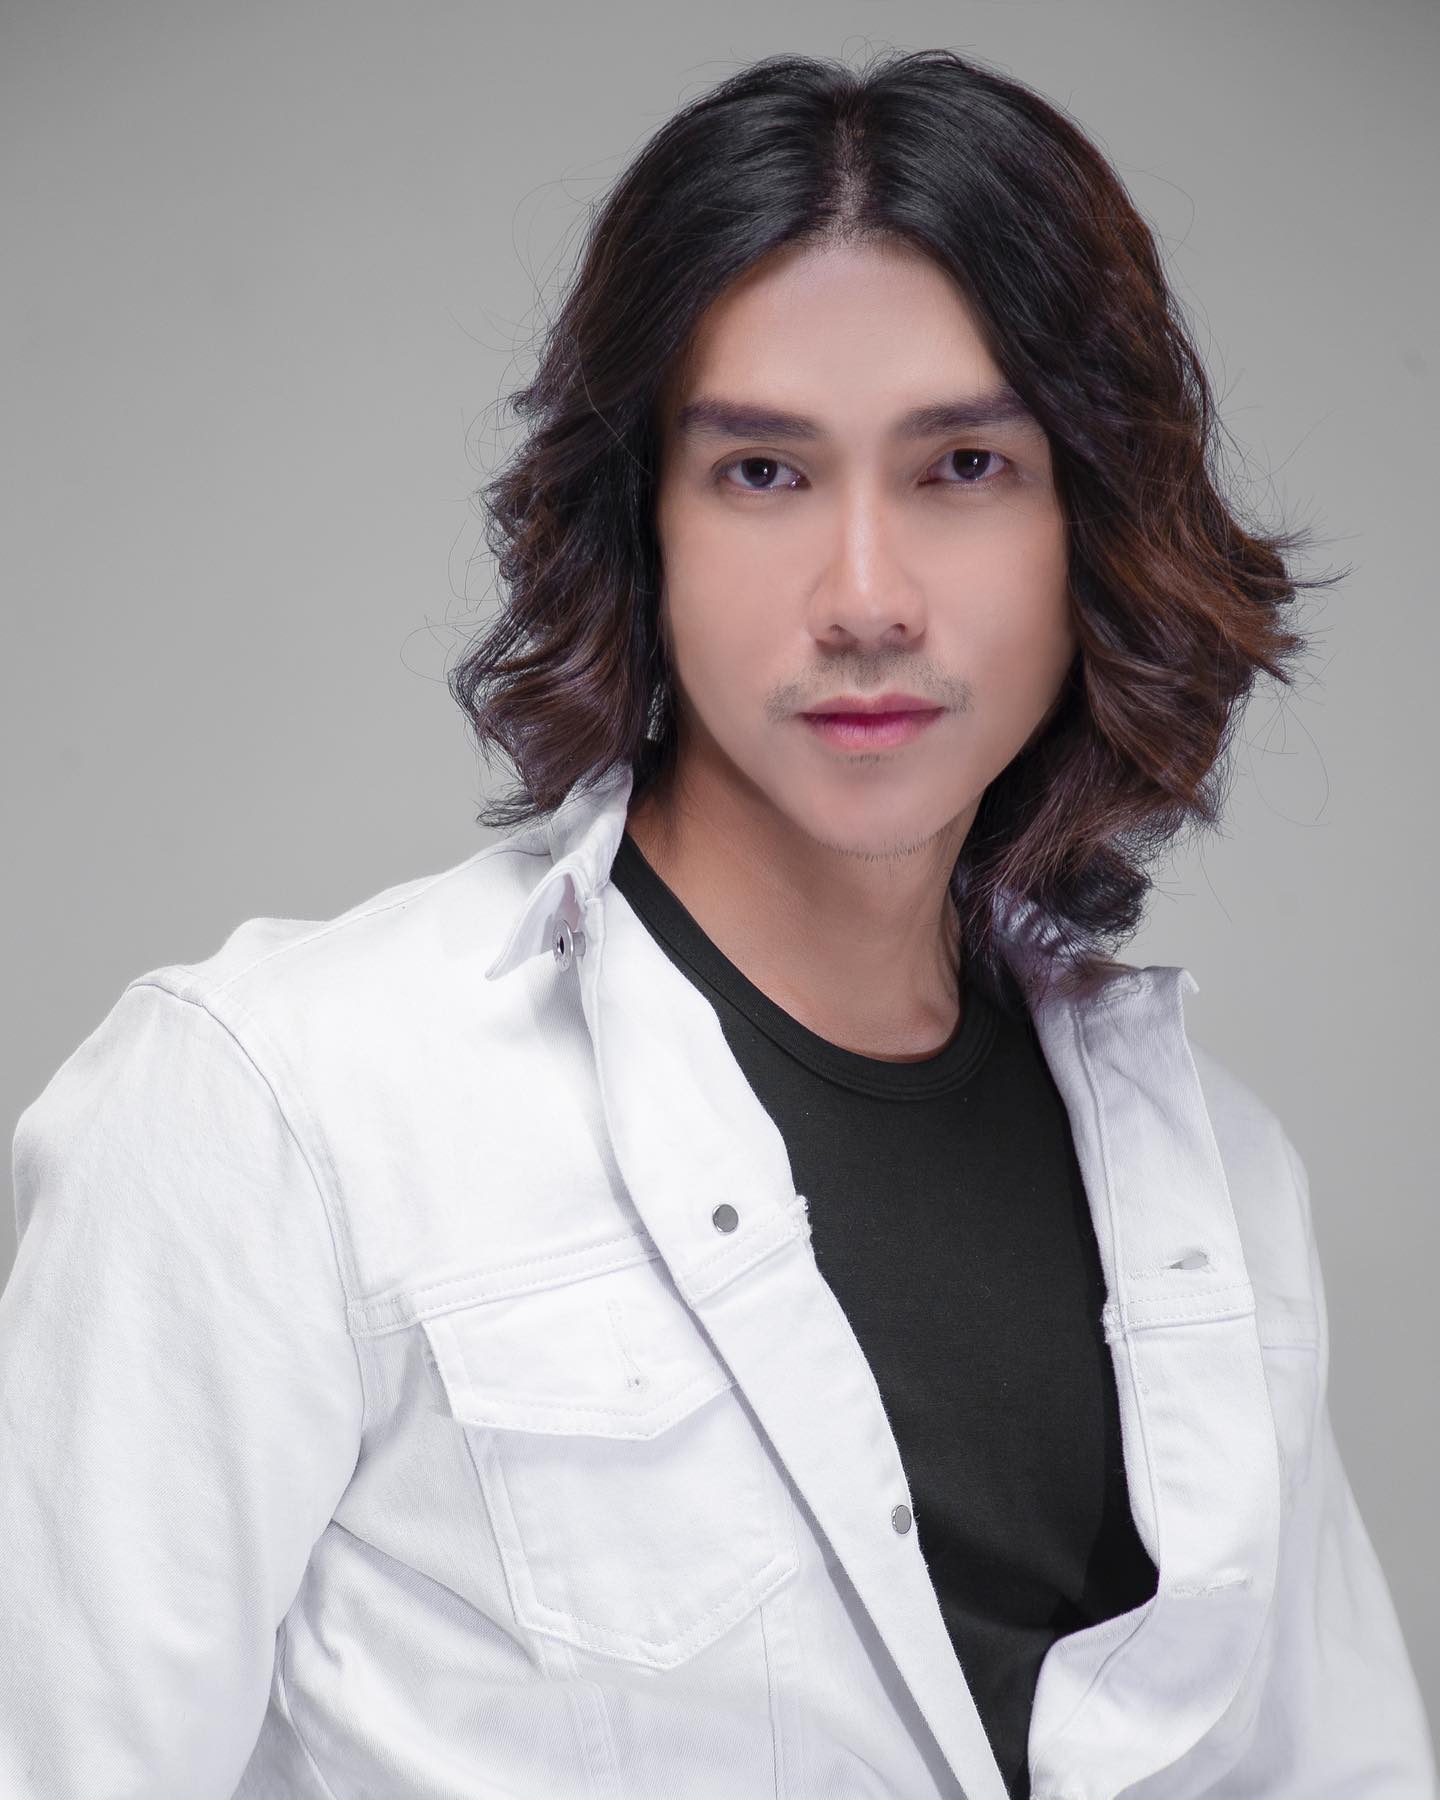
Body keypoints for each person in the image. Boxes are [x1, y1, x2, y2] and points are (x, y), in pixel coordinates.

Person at [1, 44, 1434, 1800]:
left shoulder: (1216, 1184)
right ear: (645, 528)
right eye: (762, 473)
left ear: (1092, 528)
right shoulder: (278, 1116)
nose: (866, 599)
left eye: (964, 465)